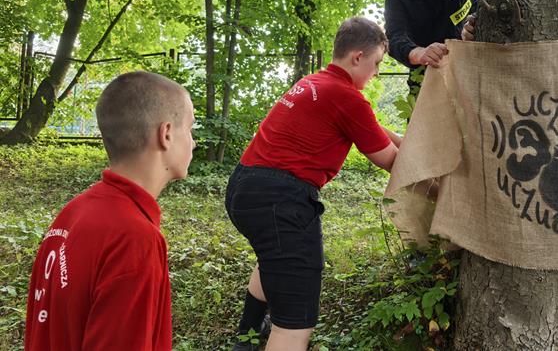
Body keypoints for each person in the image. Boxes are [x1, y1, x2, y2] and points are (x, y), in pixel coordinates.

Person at [225, 17, 400, 351]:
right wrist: (441, 186)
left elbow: (377, 131)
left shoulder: (316, 82)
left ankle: (246, 338)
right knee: (295, 324)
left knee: (274, 257)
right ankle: (262, 338)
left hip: (244, 187)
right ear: (358, 57)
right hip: (281, 200)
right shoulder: (346, 97)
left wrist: (423, 146)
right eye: (377, 63)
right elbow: (391, 160)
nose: (377, 72)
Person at [24, 71, 196, 351]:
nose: (193, 142)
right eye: (189, 129)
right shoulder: (134, 238)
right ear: (166, 134)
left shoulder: (74, 211)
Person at [384, 0, 480, 94]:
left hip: (469, 61)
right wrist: (419, 53)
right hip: (426, 72)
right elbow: (395, 37)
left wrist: (474, 20)